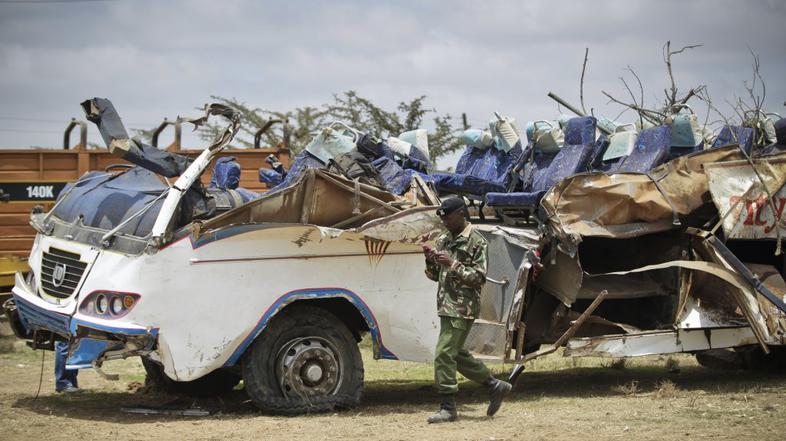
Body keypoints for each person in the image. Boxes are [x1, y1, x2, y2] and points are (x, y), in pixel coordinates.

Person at [422, 197, 512, 423]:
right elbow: (435, 277)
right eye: (442, 218)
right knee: (455, 353)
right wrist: (430, 261)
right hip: (445, 305)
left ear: (462, 213)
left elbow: (479, 279)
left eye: (448, 217)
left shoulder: (477, 242)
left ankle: (448, 407)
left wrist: (453, 263)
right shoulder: (444, 239)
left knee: (443, 353)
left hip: (462, 307)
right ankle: (494, 386)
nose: (445, 222)